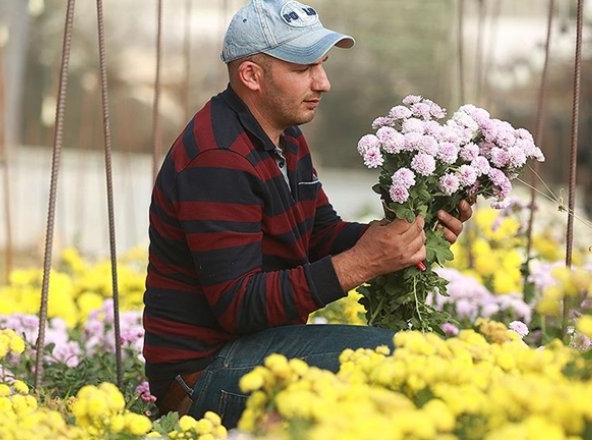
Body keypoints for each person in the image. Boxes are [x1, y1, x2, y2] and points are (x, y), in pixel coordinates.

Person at [143, 0, 473, 428]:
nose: (324, 83)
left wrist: (407, 236)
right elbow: (239, 305)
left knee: (417, 357)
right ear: (251, 76)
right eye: (303, 69)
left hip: (251, 350)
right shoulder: (218, 157)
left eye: (322, 64)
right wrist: (364, 261)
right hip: (201, 378)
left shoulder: (284, 138)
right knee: (399, 361)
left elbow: (319, 234)